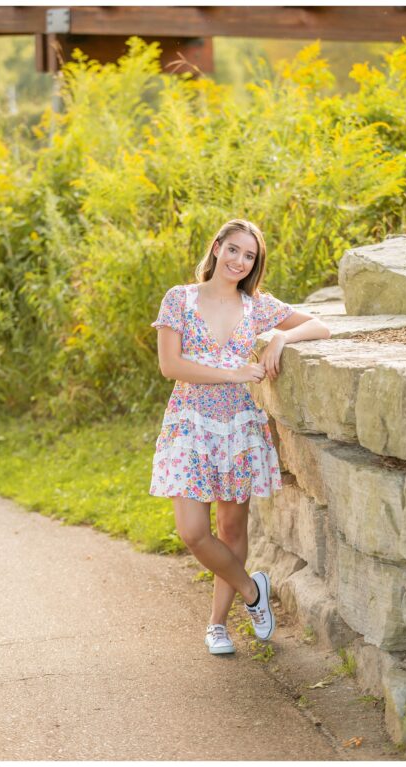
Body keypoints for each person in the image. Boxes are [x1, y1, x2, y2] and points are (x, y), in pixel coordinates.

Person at [149, 219, 332, 655]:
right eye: (233, 250)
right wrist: (231, 372)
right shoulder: (180, 299)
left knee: (232, 527)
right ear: (216, 248)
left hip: (239, 427)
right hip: (190, 425)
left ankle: (217, 625)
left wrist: (280, 337)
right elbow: (170, 366)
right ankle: (254, 592)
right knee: (194, 531)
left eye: (249, 256)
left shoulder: (257, 306)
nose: (239, 261)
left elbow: (321, 326)